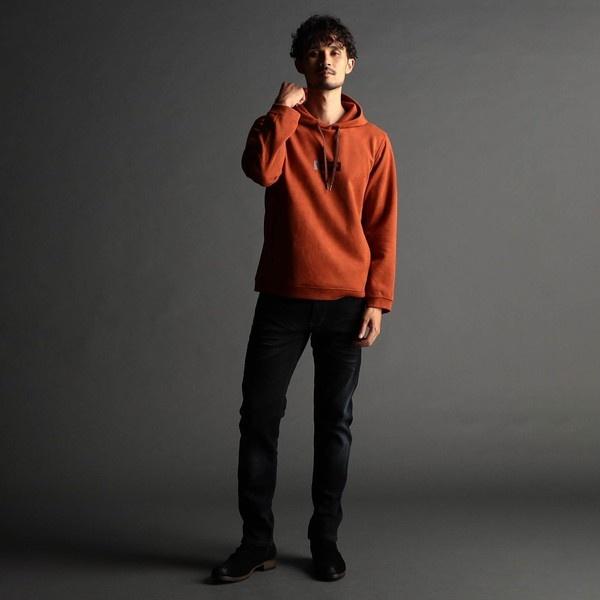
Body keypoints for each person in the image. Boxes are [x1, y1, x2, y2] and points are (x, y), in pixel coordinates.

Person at [212, 13, 398, 583]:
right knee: (258, 419)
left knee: (334, 424)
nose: (326, 60)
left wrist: (378, 299)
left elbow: (382, 225)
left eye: (336, 51)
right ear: (300, 63)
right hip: (283, 298)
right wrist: (280, 111)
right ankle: (257, 542)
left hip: (347, 302)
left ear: (351, 64)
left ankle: (324, 541)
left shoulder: (374, 141)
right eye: (315, 52)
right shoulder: (279, 125)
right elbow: (259, 171)